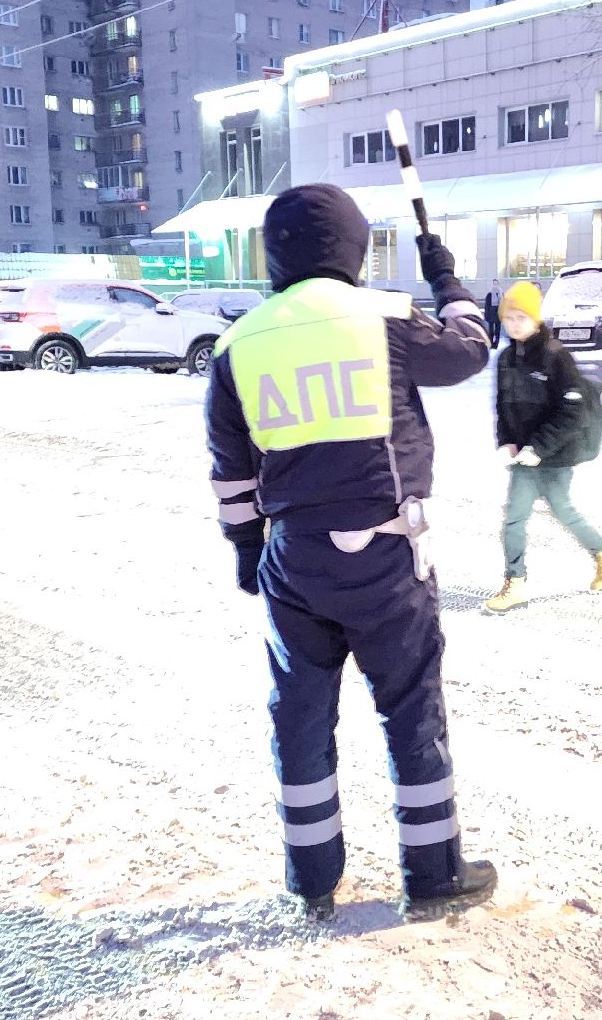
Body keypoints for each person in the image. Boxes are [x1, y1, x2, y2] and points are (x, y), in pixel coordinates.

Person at [204, 183, 498, 924]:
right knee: (409, 708)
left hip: (294, 561)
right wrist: (448, 280)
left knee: (299, 716)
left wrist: (247, 550)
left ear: (276, 253)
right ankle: (433, 875)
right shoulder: (386, 318)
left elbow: (231, 470)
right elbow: (471, 351)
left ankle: (310, 877)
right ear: (355, 247)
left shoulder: (239, 343)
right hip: (387, 554)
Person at [484, 282, 602, 615]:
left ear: (536, 319)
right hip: (523, 457)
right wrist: (507, 440)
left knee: (564, 512)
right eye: (509, 317)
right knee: (514, 519)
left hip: (555, 455)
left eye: (521, 317)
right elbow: (502, 405)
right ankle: (516, 582)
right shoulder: (506, 359)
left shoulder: (557, 356)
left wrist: (539, 448)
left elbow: (571, 412)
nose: (514, 324)